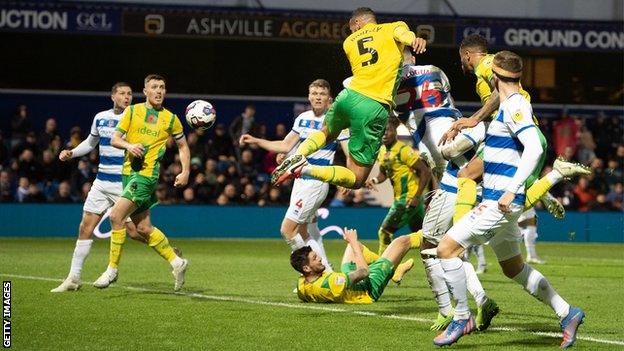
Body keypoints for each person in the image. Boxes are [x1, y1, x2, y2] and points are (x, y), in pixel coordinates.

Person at [433, 51, 584, 348]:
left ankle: (462, 317)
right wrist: (473, 120)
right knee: (512, 267)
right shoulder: (508, 103)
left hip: (500, 202)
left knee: (446, 248)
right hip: (500, 201)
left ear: (494, 76)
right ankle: (568, 313)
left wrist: (512, 188)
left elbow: (534, 148)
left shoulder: (515, 106)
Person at [272, 7, 426, 189]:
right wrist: (414, 39)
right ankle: (304, 170)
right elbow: (404, 35)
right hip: (373, 105)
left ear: (358, 23)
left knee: (327, 131)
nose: (352, 32)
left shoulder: (349, 42)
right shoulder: (392, 27)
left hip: (348, 95)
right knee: (357, 179)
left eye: (352, 28)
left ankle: (298, 154)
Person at [443, 34, 583, 223]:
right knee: (509, 197)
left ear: (467, 55)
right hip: (518, 132)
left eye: (461, 59)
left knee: (467, 177)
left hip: (514, 135)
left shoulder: (487, 64)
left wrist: (474, 119)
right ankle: (546, 182)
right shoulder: (484, 74)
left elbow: (501, 89)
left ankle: (457, 237)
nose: (461, 64)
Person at [92, 74, 190, 292]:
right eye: (154, 87)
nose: (159, 91)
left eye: (162, 87)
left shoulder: (171, 118)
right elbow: (115, 139)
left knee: (116, 216)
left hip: (146, 177)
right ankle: (177, 262)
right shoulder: (133, 111)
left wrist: (185, 171)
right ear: (145, 91)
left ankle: (112, 270)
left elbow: (183, 146)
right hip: (128, 174)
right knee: (142, 228)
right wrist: (129, 146)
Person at [240, 79, 348, 272]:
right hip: (300, 181)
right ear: (308, 96)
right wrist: (256, 140)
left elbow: (349, 153)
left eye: (322, 94)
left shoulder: (336, 120)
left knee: (288, 230)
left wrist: (347, 178)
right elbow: (285, 145)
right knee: (308, 230)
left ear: (329, 98)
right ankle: (327, 271)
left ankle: (316, 271)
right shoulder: (303, 118)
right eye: (314, 93)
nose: (318, 97)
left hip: (315, 181)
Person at [51, 82, 148, 292]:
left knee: (135, 231)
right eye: (122, 93)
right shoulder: (100, 117)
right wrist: (72, 152)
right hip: (102, 182)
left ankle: (167, 250)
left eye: (130, 94)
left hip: (124, 183)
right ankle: (73, 278)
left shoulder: (136, 118)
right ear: (112, 96)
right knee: (85, 227)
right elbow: (89, 143)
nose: (127, 97)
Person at [291, 228, 420, 304]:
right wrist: (352, 240)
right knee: (402, 242)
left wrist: (353, 244)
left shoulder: (302, 286)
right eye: (314, 258)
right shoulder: (331, 283)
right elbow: (364, 272)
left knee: (355, 246)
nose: (320, 258)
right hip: (367, 289)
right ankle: (431, 233)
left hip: (350, 285)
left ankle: (395, 270)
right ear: (306, 268)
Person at [365, 118, 430, 255]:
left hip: (407, 199)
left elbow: (425, 171)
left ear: (395, 131)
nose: (384, 134)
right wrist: (374, 180)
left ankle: (382, 268)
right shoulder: (382, 151)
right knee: (424, 236)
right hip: (405, 199)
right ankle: (437, 261)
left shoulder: (403, 150)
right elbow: (384, 173)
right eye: (381, 131)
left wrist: (416, 196)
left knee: (384, 232)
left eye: (387, 130)